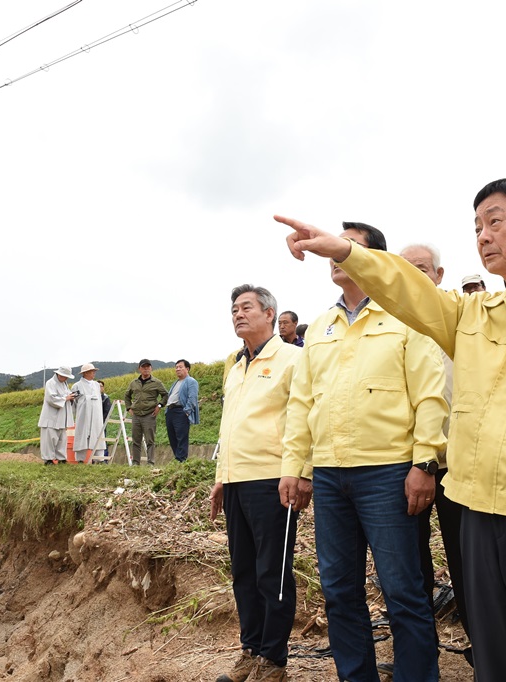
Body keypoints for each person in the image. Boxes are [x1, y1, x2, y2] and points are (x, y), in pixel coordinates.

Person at [276, 177, 506, 682]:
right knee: (493, 660)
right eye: (476, 226)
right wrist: (346, 251)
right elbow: (405, 288)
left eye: (495, 220)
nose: (483, 235)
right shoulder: (471, 314)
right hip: (477, 513)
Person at [279, 221, 447, 682]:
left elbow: (430, 396)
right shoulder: (321, 328)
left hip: (388, 474)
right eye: (337, 244)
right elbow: (302, 403)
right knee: (339, 591)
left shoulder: (405, 317)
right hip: (331, 478)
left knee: (403, 591)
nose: (337, 253)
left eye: (351, 246)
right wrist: (296, 467)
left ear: (374, 258)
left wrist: (424, 463)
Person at [210, 284, 303, 682]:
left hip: (272, 480)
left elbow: (303, 417)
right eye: (233, 309)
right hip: (235, 481)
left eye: (246, 307)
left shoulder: (294, 359)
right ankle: (249, 649)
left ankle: (273, 659)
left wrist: (298, 471)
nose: (237, 314)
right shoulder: (235, 367)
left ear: (270, 313)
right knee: (243, 571)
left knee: (272, 571)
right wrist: (220, 478)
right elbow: (228, 425)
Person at [398, 242, 473, 670]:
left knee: (468, 562)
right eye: (405, 269)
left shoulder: (460, 315)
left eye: (422, 268)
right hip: (405, 462)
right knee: (413, 562)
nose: (414, 274)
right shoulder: (389, 319)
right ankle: (419, 651)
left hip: (456, 461)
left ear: (439, 275)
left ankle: (485, 649)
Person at [124, 360, 168, 465]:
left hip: (149, 414)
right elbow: (127, 395)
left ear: (151, 368)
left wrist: (160, 405)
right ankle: (135, 463)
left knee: (150, 440)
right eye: (144, 367)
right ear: (140, 369)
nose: (146, 369)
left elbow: (165, 395)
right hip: (136, 415)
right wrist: (128, 408)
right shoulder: (134, 383)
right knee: (136, 440)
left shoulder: (156, 382)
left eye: (148, 367)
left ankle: (150, 463)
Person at [38, 366, 76, 465]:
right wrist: (65, 398)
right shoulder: (51, 383)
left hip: (62, 417)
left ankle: (61, 458)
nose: (66, 379)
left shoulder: (64, 384)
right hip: (51, 417)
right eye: (65, 376)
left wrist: (71, 397)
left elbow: (66, 395)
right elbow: (51, 398)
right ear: (59, 374)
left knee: (62, 439)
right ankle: (48, 459)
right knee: (49, 439)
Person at [165, 359, 200, 462]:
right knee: (172, 437)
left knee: (181, 437)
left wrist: (186, 412)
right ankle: (177, 459)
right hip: (170, 411)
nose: (178, 369)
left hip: (180, 411)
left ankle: (181, 460)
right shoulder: (176, 383)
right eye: (176, 367)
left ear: (187, 369)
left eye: (180, 367)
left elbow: (192, 398)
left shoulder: (191, 381)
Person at [72, 363, 103, 464]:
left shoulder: (97, 385)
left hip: (96, 414)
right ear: (85, 373)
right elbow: (73, 402)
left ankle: (99, 458)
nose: (93, 373)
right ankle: (80, 459)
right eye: (91, 371)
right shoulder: (77, 386)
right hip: (83, 415)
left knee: (97, 433)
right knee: (82, 434)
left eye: (94, 371)